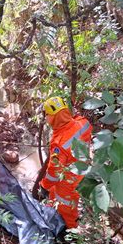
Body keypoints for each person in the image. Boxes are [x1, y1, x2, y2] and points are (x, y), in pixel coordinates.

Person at [40, 96, 92, 229]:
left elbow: (54, 172)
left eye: (47, 115)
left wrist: (44, 185)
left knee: (67, 209)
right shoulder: (83, 122)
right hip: (81, 170)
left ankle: (69, 234)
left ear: (52, 117)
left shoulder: (59, 143)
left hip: (69, 181)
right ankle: (52, 213)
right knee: (55, 196)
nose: (46, 119)